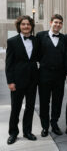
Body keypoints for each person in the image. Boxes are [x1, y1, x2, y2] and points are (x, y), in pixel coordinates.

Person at [5, 16, 38, 144]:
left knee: (30, 108)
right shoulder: (12, 41)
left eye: (28, 24)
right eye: (23, 24)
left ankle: (27, 131)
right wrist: (10, 81)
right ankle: (13, 133)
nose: (26, 26)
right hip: (17, 81)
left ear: (31, 26)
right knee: (15, 108)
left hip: (32, 81)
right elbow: (9, 64)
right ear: (19, 26)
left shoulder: (36, 40)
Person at [36, 14, 67, 137]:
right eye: (56, 22)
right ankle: (45, 126)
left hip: (60, 75)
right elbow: (35, 53)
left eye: (60, 23)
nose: (57, 25)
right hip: (44, 74)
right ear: (50, 22)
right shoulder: (40, 36)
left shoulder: (64, 38)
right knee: (44, 102)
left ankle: (54, 124)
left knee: (57, 101)